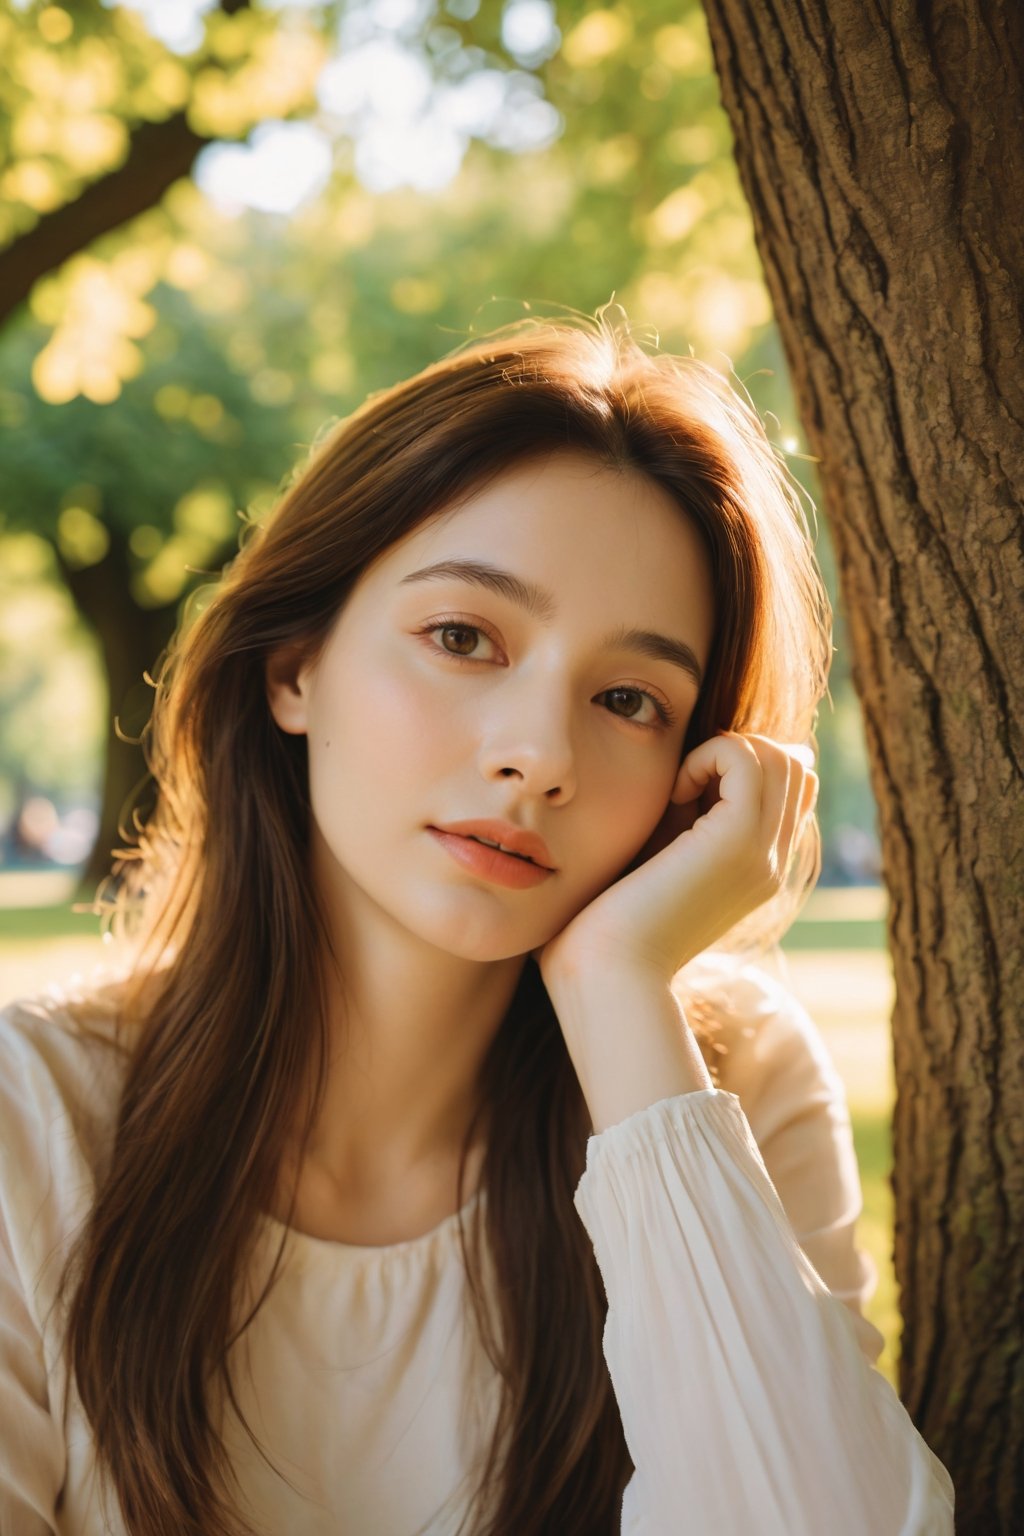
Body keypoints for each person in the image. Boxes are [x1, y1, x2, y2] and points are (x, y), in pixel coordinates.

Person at [0, 305, 955, 1535]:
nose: (538, 755)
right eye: (463, 637)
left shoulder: (725, 1088)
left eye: (628, 698)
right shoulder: (35, 1125)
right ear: (294, 665)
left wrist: (620, 996)